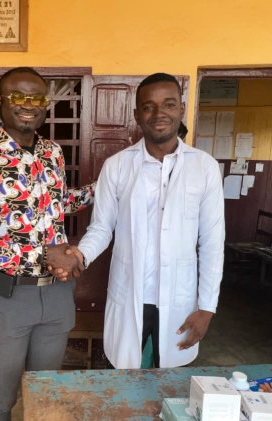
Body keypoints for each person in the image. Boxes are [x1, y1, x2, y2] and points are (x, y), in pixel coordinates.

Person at [0, 67, 95, 421]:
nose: (29, 105)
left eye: (37, 98)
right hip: (7, 298)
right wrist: (44, 252)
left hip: (57, 294)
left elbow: (58, 205)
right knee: (3, 397)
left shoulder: (53, 153)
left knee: (44, 390)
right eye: (18, 97)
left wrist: (103, 190)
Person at [55, 72, 225, 369]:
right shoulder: (117, 166)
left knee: (171, 387)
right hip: (129, 293)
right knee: (126, 377)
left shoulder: (204, 167)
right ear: (137, 115)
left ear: (181, 109)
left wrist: (207, 308)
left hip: (180, 300)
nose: (159, 114)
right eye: (148, 106)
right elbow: (102, 228)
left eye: (169, 104)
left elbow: (212, 241)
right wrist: (79, 255)